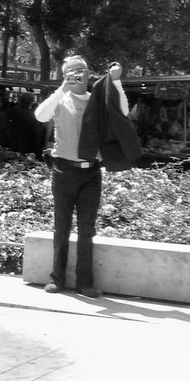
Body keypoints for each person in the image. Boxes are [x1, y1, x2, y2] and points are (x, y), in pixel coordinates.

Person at [34, 56, 132, 298]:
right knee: (61, 228)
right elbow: (40, 116)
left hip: (91, 173)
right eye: (71, 71)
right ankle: (57, 279)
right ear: (65, 75)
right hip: (63, 170)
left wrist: (116, 82)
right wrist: (62, 89)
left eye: (81, 70)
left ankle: (85, 283)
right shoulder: (60, 99)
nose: (78, 74)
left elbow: (123, 111)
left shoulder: (96, 100)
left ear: (89, 74)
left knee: (87, 230)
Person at [8, 93, 45, 160]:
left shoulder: (14, 111)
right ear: (31, 102)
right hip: (26, 144)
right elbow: (35, 132)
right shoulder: (31, 114)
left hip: (14, 141)